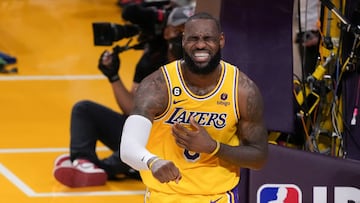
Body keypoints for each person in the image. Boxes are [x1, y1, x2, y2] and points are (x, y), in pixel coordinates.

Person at [120, 12, 268, 202]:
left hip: (217, 197)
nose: (200, 45)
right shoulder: (157, 86)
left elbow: (259, 157)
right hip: (165, 196)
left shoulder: (242, 90)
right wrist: (152, 162)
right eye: (193, 38)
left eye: (208, 38)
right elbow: (128, 147)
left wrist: (214, 148)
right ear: (183, 41)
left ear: (221, 40)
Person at [52, 5, 195, 188]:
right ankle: (84, 162)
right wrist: (113, 76)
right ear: (167, 33)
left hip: (172, 140)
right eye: (179, 31)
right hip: (146, 132)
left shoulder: (199, 66)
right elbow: (132, 110)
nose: (183, 38)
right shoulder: (151, 59)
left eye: (188, 33)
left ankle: (104, 167)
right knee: (84, 109)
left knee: (146, 142)